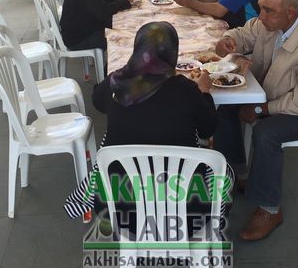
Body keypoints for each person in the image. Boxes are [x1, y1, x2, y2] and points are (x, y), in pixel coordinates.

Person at [64, 21, 232, 235]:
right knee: (224, 171)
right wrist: (204, 92)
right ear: (172, 53)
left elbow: (97, 101)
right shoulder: (186, 90)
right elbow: (208, 129)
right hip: (187, 211)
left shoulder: (117, 83)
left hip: (121, 209)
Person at [213, 0, 298, 241]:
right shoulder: (272, 22)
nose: (261, 16)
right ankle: (237, 173)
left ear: (291, 12)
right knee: (224, 106)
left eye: (267, 11)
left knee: (266, 133)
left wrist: (261, 108)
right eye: (261, 8)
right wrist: (229, 40)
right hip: (272, 94)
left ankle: (270, 209)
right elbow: (245, 33)